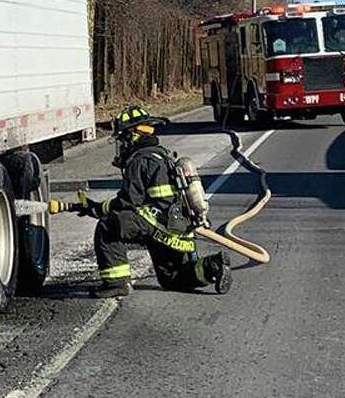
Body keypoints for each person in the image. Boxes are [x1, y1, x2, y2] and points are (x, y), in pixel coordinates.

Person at [72, 105, 231, 299]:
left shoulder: (139, 160)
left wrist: (97, 209)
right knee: (170, 278)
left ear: (132, 135)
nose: (121, 146)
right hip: (178, 229)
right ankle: (213, 266)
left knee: (108, 226)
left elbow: (127, 203)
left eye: (122, 139)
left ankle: (116, 283)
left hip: (157, 224)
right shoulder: (161, 154)